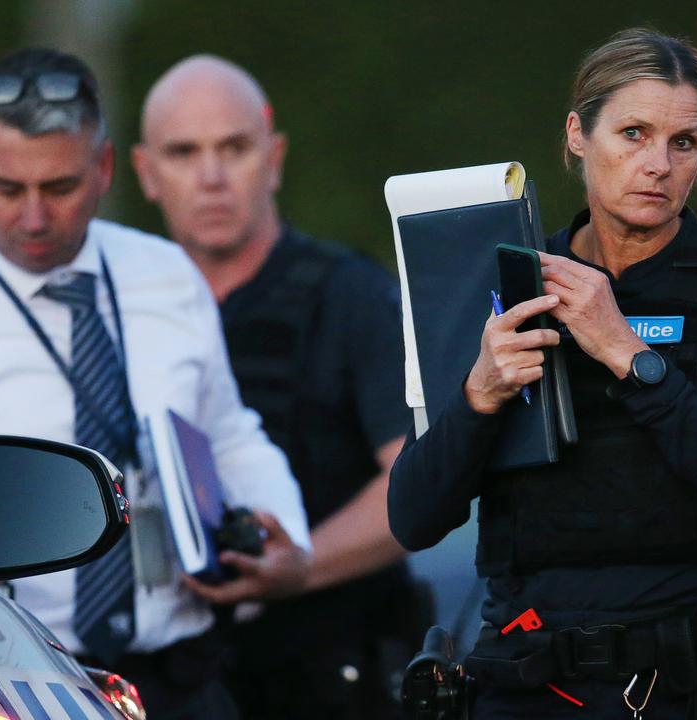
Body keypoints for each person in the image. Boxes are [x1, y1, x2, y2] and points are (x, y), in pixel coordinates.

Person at [389, 28, 697, 719]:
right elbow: (413, 518)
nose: (658, 165)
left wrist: (630, 357)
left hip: (689, 680)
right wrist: (480, 396)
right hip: (529, 682)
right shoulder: (509, 276)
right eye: (634, 134)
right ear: (578, 135)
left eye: (684, 143)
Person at [0, 48, 314, 719]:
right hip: (17, 685)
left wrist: (291, 544)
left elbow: (230, 433)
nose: (33, 218)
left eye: (59, 187)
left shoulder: (168, 274)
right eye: (10, 188)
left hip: (186, 673)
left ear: (105, 169)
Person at [133, 55, 423, 719]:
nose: (210, 178)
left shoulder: (351, 296)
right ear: (146, 171)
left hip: (334, 673)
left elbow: (419, 484)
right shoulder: (120, 311)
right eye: (183, 153)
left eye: (233, 148)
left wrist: (294, 567)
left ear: (274, 157)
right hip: (173, 680)